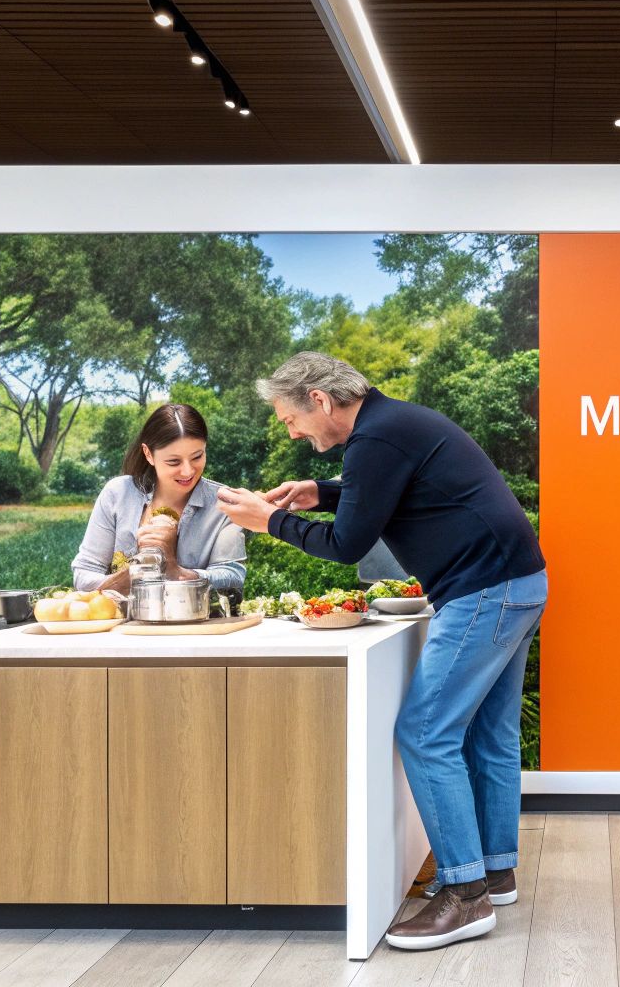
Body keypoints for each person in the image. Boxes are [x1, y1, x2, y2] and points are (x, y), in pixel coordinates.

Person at [215, 352, 545, 952]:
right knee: (487, 736)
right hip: (517, 583)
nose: (292, 432)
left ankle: (465, 896)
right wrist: (322, 491)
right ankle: (494, 872)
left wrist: (269, 522)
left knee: (425, 732)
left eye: (291, 419)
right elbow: (383, 493)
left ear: (319, 400)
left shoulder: (376, 438)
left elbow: (348, 545)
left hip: (484, 591)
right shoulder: (391, 427)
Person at [70, 402, 246, 593]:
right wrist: (142, 568)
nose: (188, 471)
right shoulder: (117, 494)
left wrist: (175, 570)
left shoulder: (225, 504)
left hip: (195, 622)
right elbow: (84, 575)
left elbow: (233, 579)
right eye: (173, 461)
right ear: (148, 454)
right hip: (124, 622)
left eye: (197, 456)